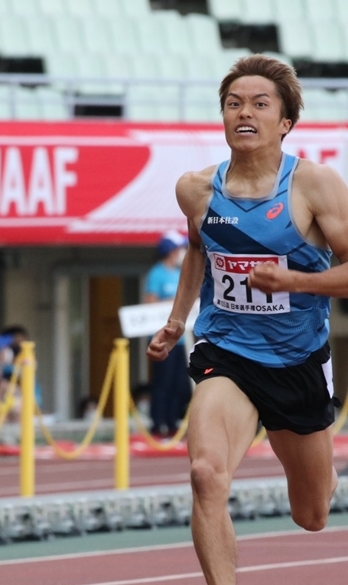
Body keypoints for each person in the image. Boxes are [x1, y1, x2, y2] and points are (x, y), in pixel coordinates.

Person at [147, 54, 342, 585]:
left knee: (312, 515)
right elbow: (196, 251)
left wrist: (297, 282)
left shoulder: (314, 186)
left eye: (260, 103)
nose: (244, 113)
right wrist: (176, 318)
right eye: (234, 104)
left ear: (285, 122)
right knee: (206, 475)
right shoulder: (197, 189)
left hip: (298, 360)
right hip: (226, 351)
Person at [143, 230, 191, 436]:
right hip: (164, 338)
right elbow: (150, 302)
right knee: (162, 382)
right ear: (171, 251)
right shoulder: (157, 273)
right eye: (180, 248)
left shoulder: (180, 273)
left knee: (179, 383)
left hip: (181, 340)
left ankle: (172, 423)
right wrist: (173, 303)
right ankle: (158, 423)